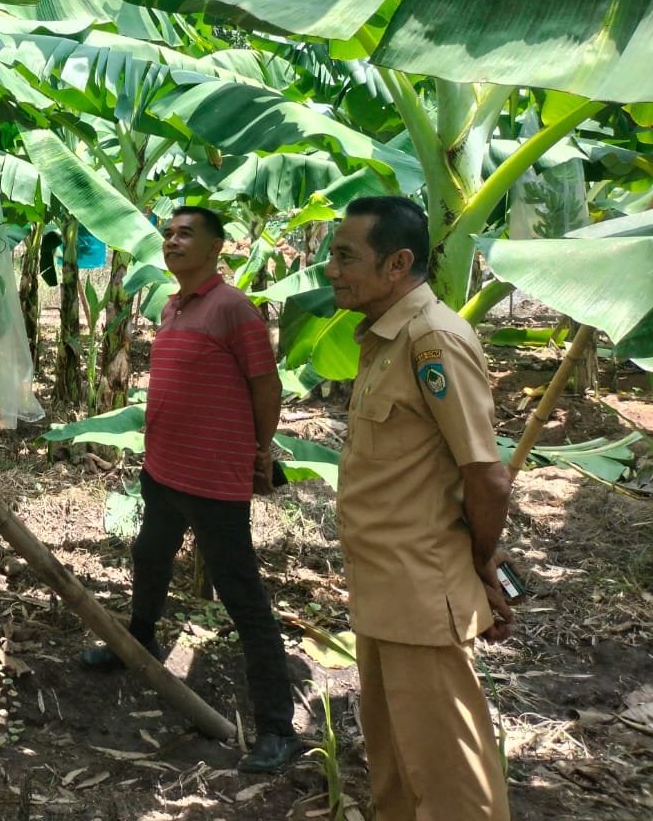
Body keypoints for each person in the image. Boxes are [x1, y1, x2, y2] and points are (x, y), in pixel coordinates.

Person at [81, 206, 300, 774]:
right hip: (164, 470)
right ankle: (140, 645)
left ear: (215, 249)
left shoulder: (233, 309)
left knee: (242, 596)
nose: (173, 242)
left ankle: (277, 727)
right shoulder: (173, 306)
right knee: (148, 555)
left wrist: (259, 451)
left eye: (186, 235)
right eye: (168, 234)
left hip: (212, 481)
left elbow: (265, 384)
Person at [326, 195, 512, 821]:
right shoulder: (385, 338)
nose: (331, 269)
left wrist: (483, 565)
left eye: (346, 256)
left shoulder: (432, 340)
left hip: (419, 591)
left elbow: (486, 473)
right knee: (398, 770)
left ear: (398, 263)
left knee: (451, 781)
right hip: (382, 587)